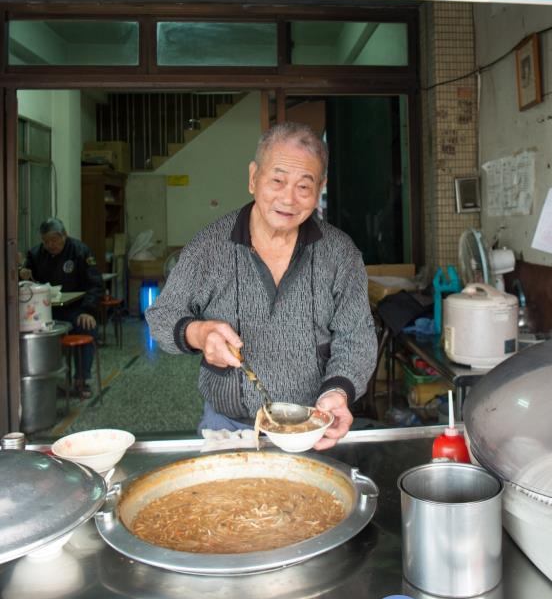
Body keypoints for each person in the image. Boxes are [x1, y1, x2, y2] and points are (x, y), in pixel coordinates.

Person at [146, 121, 378, 449]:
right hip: (228, 428)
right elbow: (161, 316)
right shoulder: (211, 246)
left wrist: (337, 393)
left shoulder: (340, 254)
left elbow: (356, 338)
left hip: (312, 427)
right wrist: (199, 334)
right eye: (278, 180)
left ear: (321, 187)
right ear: (253, 178)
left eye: (304, 186)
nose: (289, 199)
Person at [20, 218, 103, 398]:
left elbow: (96, 285)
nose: (51, 245)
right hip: (45, 311)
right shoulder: (35, 254)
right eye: (46, 241)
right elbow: (26, 282)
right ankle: (44, 382)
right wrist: (23, 273)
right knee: (31, 335)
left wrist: (88, 311)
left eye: (54, 240)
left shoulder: (80, 251)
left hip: (76, 308)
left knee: (86, 327)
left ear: (64, 236)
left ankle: (81, 380)